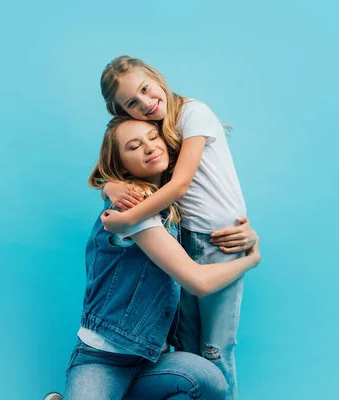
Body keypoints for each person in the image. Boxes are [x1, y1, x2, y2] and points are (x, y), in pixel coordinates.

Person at [50, 117, 260, 400]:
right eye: (135, 146)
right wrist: (251, 260)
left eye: (153, 137)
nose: (149, 148)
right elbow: (197, 281)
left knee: (211, 381)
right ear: (122, 165)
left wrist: (245, 234)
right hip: (103, 360)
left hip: (152, 360)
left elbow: (212, 224)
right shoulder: (130, 211)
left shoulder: (171, 205)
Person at [99, 56, 253, 399]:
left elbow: (180, 185)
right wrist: (111, 188)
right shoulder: (154, 133)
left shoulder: (193, 114)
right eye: (132, 104)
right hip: (182, 239)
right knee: (185, 348)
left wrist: (127, 218)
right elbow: (107, 168)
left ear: (156, 76)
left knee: (214, 348)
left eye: (144, 88)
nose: (145, 102)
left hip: (220, 240)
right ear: (124, 113)